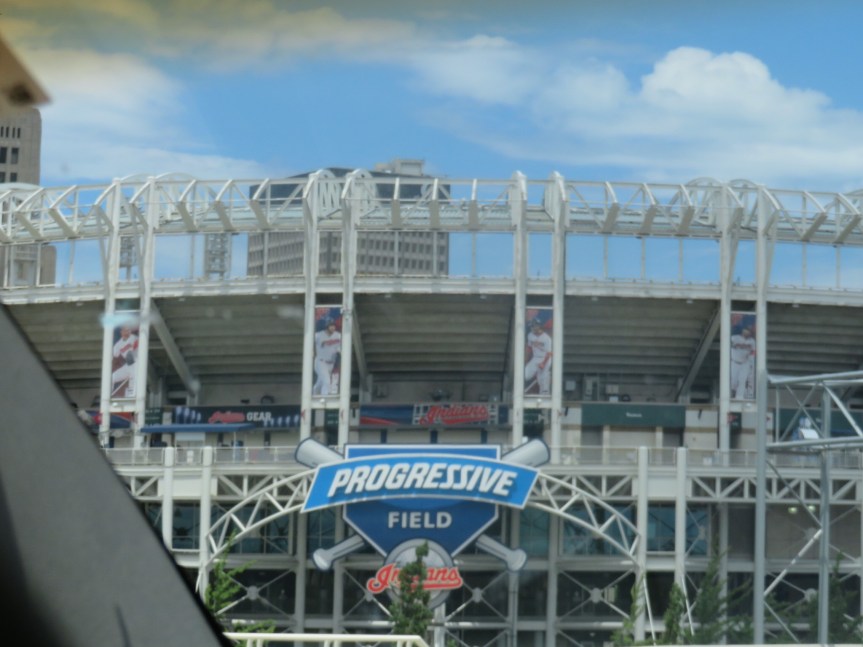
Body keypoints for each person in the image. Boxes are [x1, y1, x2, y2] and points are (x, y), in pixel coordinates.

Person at [314, 317, 341, 395]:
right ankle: (324, 399)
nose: (333, 327)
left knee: (320, 383)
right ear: (326, 326)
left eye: (334, 325)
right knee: (327, 382)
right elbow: (308, 342)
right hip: (320, 362)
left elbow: (341, 347)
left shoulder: (338, 335)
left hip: (331, 363)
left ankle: (314, 393)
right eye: (331, 325)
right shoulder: (318, 335)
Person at [524, 318, 552, 395]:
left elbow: (549, 353)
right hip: (536, 358)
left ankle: (544, 395)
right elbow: (529, 348)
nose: (532, 328)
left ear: (538, 326)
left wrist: (543, 363)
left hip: (545, 358)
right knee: (525, 375)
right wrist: (526, 360)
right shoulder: (530, 335)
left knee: (543, 379)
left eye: (533, 326)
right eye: (531, 326)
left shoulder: (547, 338)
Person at [111, 326, 138, 398]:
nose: (126, 332)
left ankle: (132, 397)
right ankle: (108, 396)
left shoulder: (134, 338)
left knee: (133, 381)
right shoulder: (118, 344)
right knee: (111, 378)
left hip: (137, 363)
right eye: (124, 330)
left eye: (128, 330)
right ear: (121, 332)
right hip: (128, 365)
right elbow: (115, 356)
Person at [730, 325, 755, 400]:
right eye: (746, 330)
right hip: (734, 362)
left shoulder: (752, 341)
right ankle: (732, 393)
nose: (747, 332)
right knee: (733, 382)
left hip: (745, 363)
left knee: (742, 381)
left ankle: (739, 398)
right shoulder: (734, 338)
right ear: (742, 330)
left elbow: (754, 352)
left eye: (749, 331)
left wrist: (750, 356)